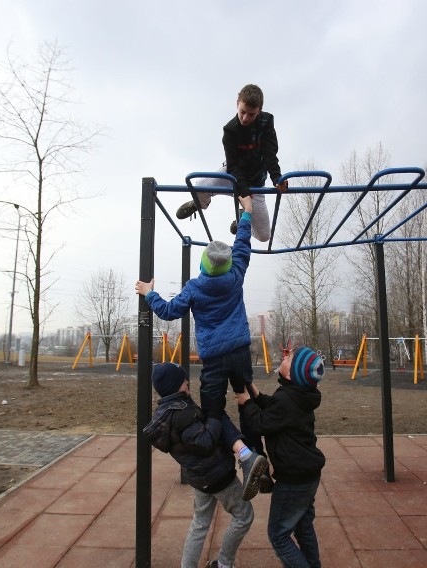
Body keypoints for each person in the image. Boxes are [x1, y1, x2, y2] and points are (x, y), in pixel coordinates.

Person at [136, 194, 268, 500]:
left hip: (216, 359)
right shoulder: (236, 274)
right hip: (240, 351)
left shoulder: (195, 287)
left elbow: (169, 311)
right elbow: (243, 243)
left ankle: (246, 458)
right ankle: (259, 456)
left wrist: (149, 294)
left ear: (203, 265)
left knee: (212, 412)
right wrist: (247, 212)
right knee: (246, 399)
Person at [143, 363, 255, 568]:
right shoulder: (182, 413)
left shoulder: (165, 412)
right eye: (183, 379)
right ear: (176, 385)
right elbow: (205, 443)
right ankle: (224, 562)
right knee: (244, 516)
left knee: (200, 524)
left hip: (198, 477)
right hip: (217, 475)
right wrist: (213, 416)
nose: (187, 381)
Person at [235, 345, 326, 568]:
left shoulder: (287, 399)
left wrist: (246, 403)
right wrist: (255, 394)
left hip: (293, 480)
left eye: (289, 358)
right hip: (308, 475)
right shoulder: (300, 395)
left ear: (291, 374)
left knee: (278, 535)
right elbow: (275, 409)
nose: (284, 357)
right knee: (303, 526)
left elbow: (260, 424)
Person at [176, 84, 288, 242]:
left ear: (259, 111)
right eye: (242, 112)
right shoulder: (230, 130)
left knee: (264, 236)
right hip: (231, 176)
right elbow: (233, 165)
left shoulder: (266, 122)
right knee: (198, 187)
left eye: (251, 114)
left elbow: (270, 153)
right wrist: (243, 192)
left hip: (256, 182)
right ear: (237, 104)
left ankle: (244, 220)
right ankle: (199, 204)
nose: (245, 118)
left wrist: (277, 178)